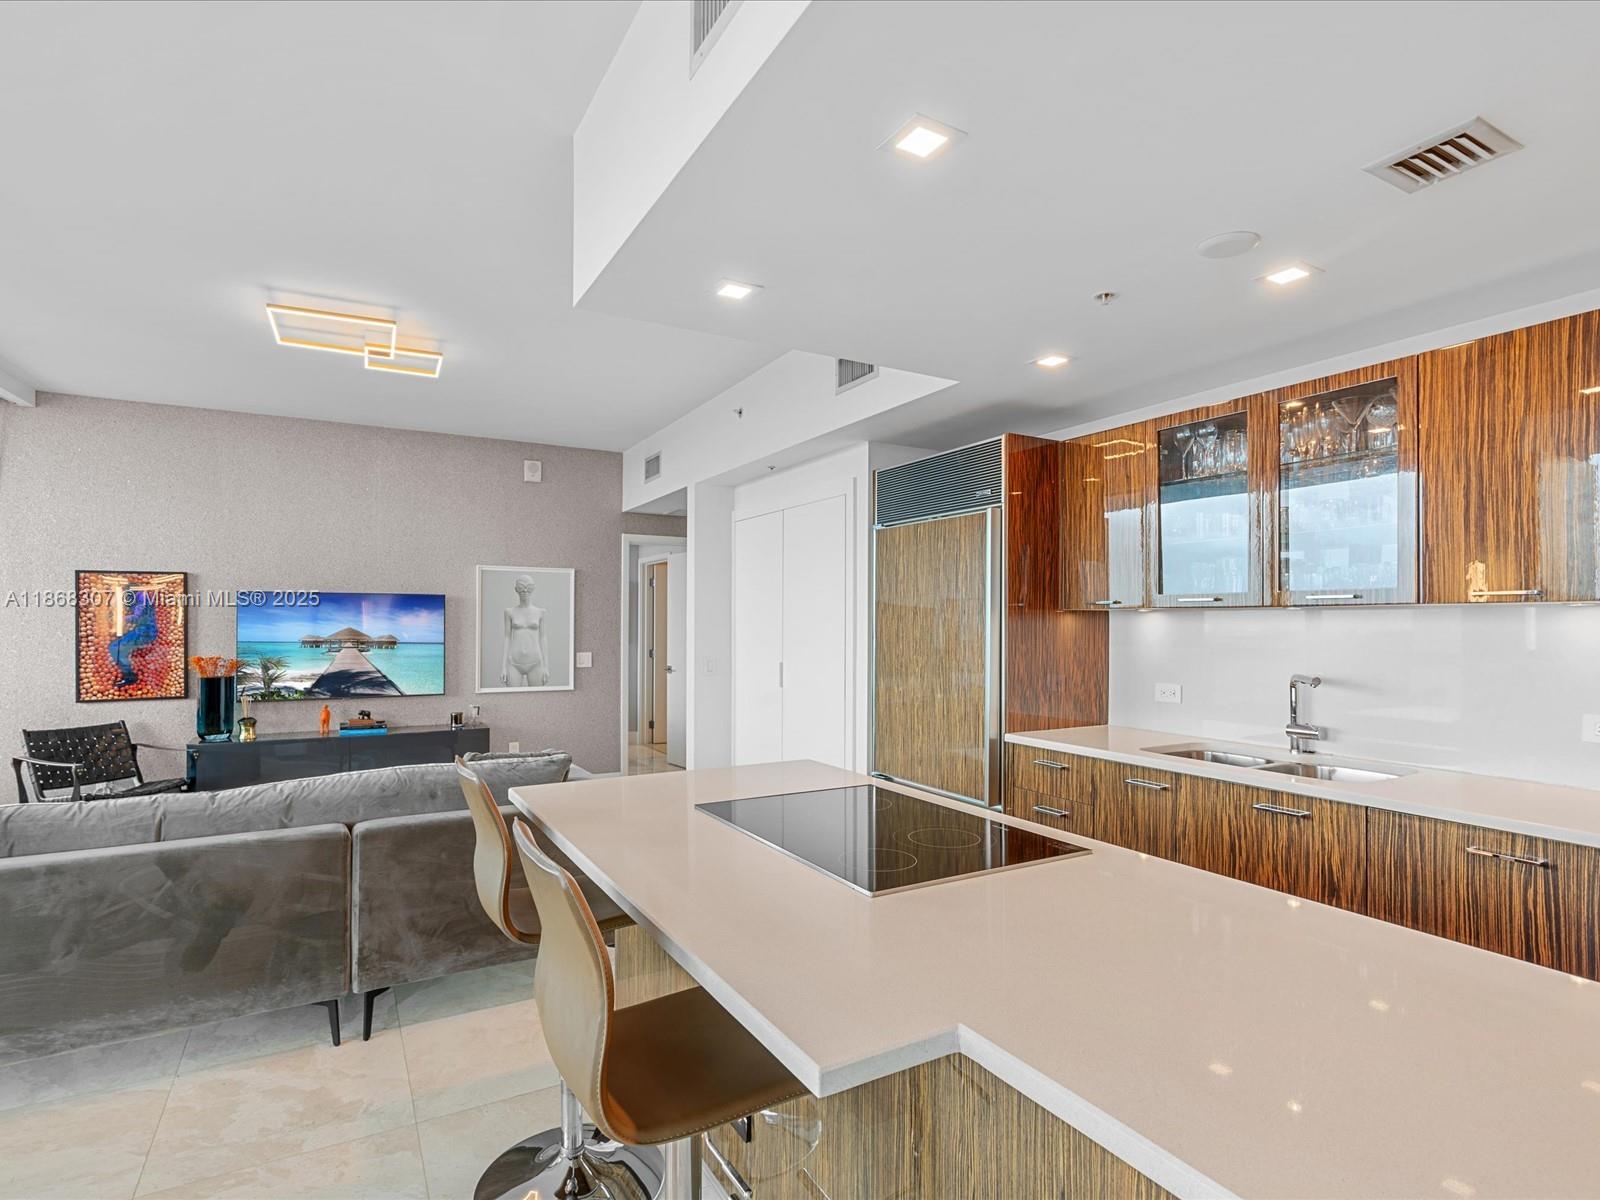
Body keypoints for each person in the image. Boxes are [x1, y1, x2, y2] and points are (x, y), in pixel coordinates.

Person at [501, 575, 549, 687]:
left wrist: (546, 667)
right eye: (521, 587)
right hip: (514, 662)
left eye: (529, 587)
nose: (525, 591)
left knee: (537, 697)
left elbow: (543, 638)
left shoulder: (541, 612)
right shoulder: (509, 612)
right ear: (516, 589)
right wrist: (503, 667)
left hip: (535, 662)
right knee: (512, 697)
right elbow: (507, 638)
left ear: (533, 588)